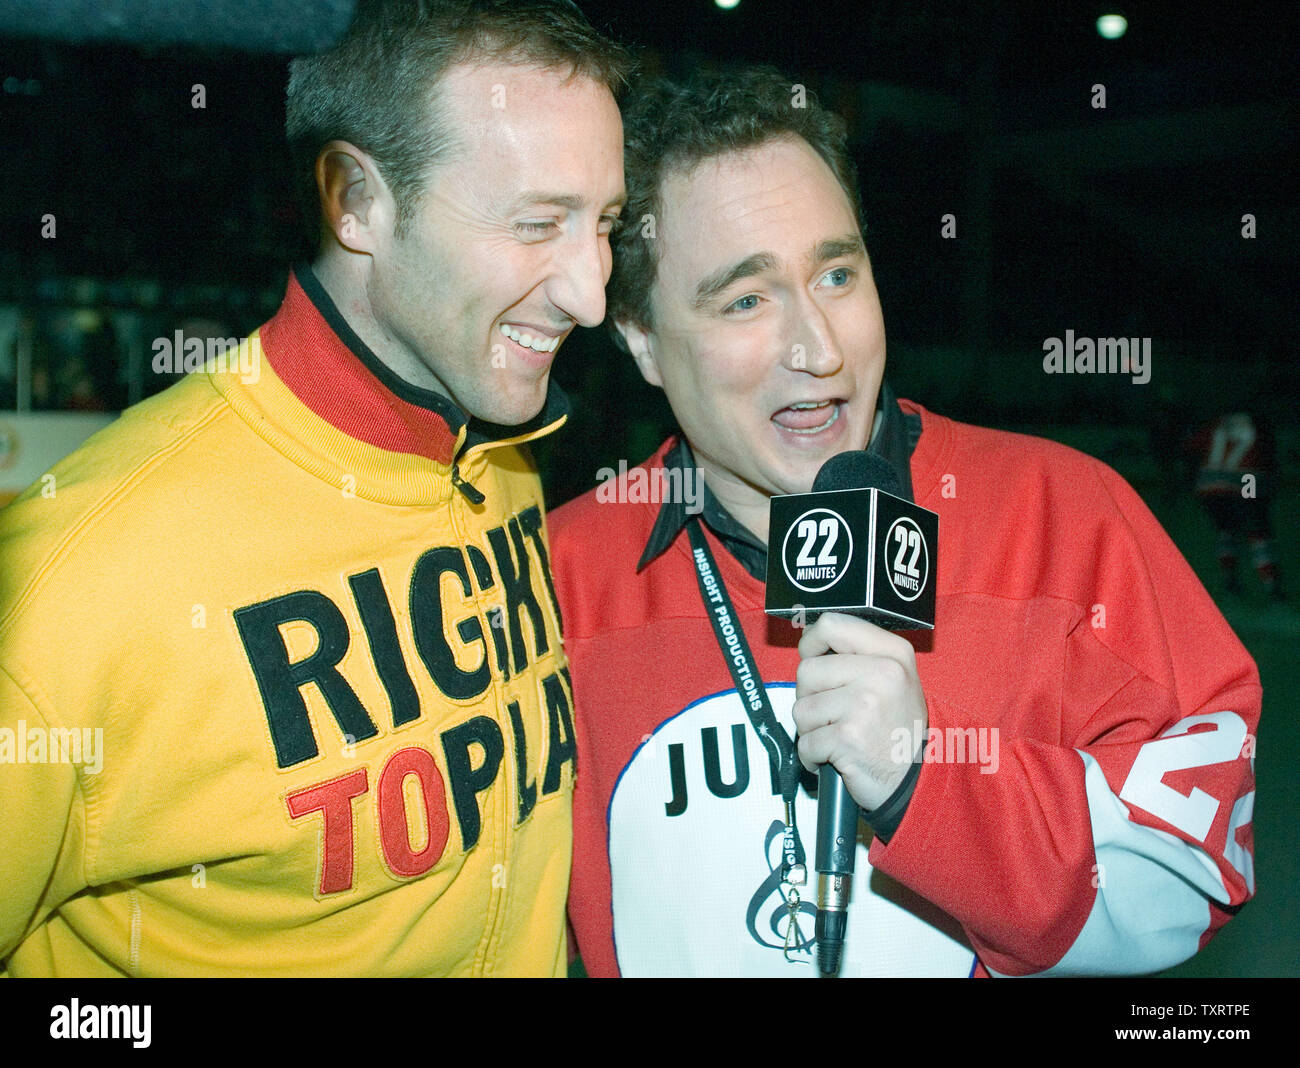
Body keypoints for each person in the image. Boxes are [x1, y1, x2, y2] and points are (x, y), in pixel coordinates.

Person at [550, 68, 1261, 977]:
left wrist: (933, 786)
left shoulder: (1069, 520)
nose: (820, 348)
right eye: (746, 300)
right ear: (642, 340)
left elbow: (1196, 871)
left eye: (836, 274)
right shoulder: (551, 579)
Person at [0, 0, 628, 977]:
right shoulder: (75, 574)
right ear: (357, 203)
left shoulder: (501, 449)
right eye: (536, 224)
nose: (590, 293)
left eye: (606, 225)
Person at [1187, 409, 1284, 600]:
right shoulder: (1259, 425)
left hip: (1210, 487)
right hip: (1246, 482)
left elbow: (1190, 447)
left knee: (1226, 532)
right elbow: (1268, 458)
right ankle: (1272, 586)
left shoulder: (1216, 423)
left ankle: (1230, 581)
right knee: (1257, 534)